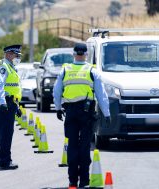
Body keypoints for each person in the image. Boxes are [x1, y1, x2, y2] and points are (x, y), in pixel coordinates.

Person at [53, 43, 111, 188]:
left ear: (73, 54)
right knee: (84, 147)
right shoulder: (92, 71)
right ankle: (84, 181)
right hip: (87, 113)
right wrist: (107, 113)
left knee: (72, 146)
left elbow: (56, 91)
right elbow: (101, 95)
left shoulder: (65, 70)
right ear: (86, 55)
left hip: (70, 113)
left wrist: (58, 108)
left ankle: (72, 180)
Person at [0, 44, 23, 170]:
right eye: (17, 55)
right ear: (9, 54)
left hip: (10, 103)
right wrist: (3, 103)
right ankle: (5, 161)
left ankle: (1, 161)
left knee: (6, 133)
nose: (18, 57)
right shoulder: (3, 67)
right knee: (5, 134)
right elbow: (0, 86)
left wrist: (17, 106)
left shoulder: (11, 67)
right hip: (4, 103)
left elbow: (13, 89)